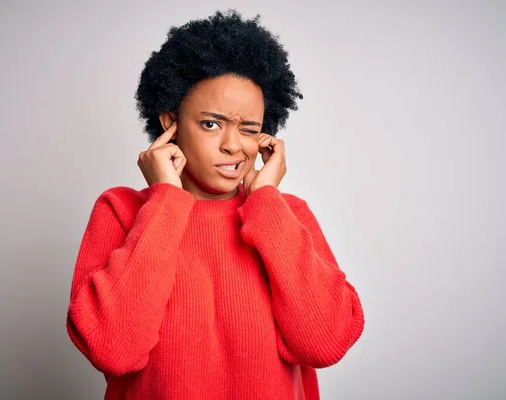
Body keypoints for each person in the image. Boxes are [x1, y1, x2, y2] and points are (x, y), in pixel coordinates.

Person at [66, 10, 364, 400]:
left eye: (249, 129)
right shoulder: (120, 211)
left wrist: (266, 204)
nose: (233, 144)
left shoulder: (287, 216)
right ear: (170, 122)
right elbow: (113, 349)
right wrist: (167, 202)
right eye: (211, 123)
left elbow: (324, 343)